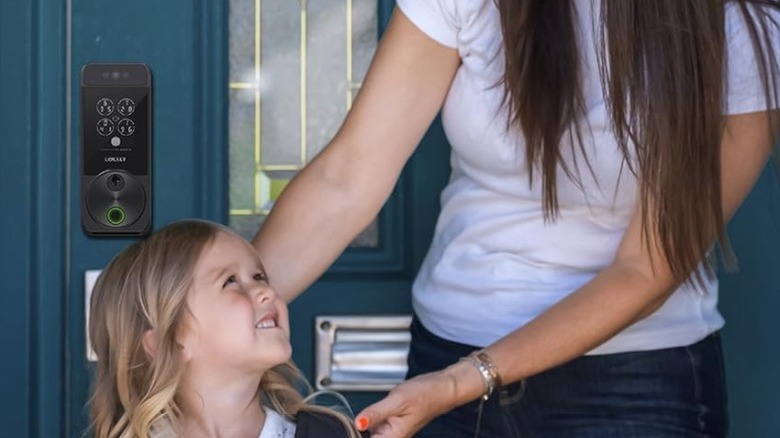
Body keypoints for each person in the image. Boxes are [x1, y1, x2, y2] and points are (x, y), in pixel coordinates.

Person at [252, 0, 780, 436]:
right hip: (446, 356)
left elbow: (645, 269)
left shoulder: (738, 27)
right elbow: (348, 177)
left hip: (633, 382)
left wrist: (466, 380)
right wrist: (217, 315)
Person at [88, 219, 364, 438]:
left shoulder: (329, 432)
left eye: (259, 276)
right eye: (230, 281)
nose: (267, 292)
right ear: (168, 344)